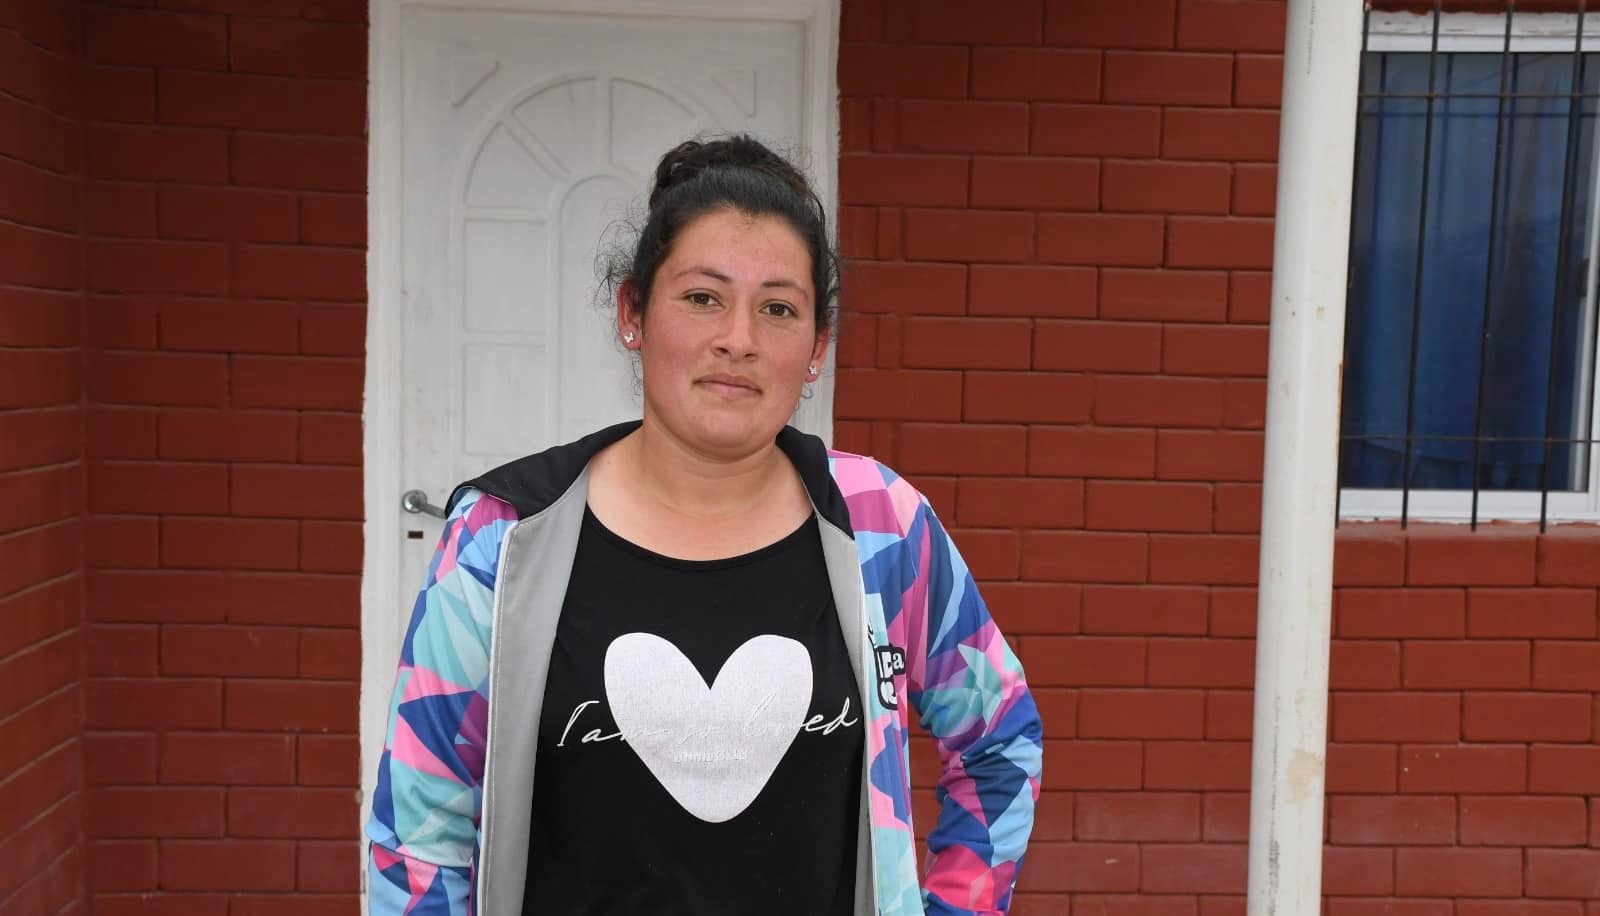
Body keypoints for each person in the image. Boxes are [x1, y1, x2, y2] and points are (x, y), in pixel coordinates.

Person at [365, 135, 1043, 916]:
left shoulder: (882, 527)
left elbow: (1000, 742)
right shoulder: (503, 538)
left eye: (778, 309)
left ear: (817, 347)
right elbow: (418, 828)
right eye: (702, 298)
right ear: (633, 312)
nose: (738, 340)